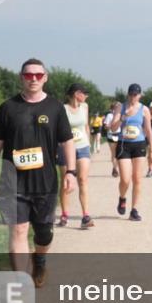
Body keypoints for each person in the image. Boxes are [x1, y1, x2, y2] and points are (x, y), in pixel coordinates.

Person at [0, 58, 76, 288]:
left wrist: (70, 172)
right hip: (12, 182)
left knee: (44, 235)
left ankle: (40, 259)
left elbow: (67, 141)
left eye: (38, 75)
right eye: (28, 75)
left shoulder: (55, 108)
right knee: (19, 229)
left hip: (45, 182)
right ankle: (21, 283)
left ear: (45, 78)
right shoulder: (8, 108)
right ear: (21, 77)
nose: (33, 79)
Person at [108, 83, 152, 221]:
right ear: (128, 94)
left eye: (136, 94)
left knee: (137, 179)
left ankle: (134, 210)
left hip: (139, 144)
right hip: (124, 145)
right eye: (131, 94)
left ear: (140, 95)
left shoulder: (144, 109)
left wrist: (151, 147)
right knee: (125, 179)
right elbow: (113, 127)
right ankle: (122, 198)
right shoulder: (120, 107)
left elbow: (148, 129)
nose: (133, 97)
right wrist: (123, 117)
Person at [57, 83, 94, 229]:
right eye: (84, 93)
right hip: (66, 149)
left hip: (83, 146)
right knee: (66, 182)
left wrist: (89, 143)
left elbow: (85, 126)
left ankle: (85, 216)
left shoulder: (84, 107)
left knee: (83, 180)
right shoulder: (63, 109)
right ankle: (65, 214)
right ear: (76, 93)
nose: (86, 96)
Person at [103, 101, 120, 177]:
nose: (117, 108)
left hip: (120, 135)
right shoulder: (109, 116)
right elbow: (105, 127)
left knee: (120, 153)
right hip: (111, 135)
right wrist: (112, 125)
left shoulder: (121, 115)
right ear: (113, 108)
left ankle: (119, 168)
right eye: (116, 107)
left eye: (119, 107)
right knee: (114, 153)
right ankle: (114, 168)